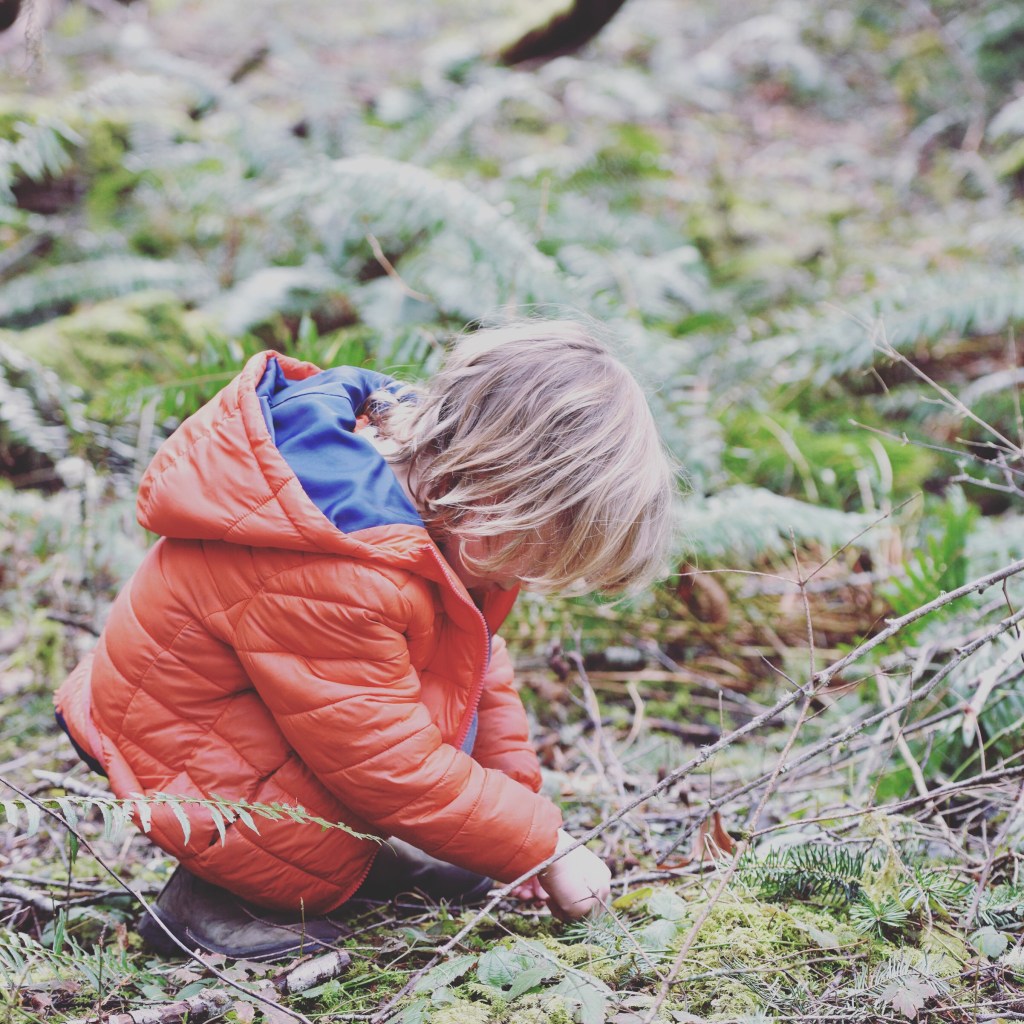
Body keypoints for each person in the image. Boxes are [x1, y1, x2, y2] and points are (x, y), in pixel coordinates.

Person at [54, 318, 676, 960]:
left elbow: (478, 672)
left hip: (259, 721)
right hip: (186, 744)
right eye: (536, 559)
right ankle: (213, 901)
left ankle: (357, 859)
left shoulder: (444, 527)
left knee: (420, 770)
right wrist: (546, 848)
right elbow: (389, 766)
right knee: (337, 815)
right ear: (497, 502)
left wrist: (519, 823)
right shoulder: (340, 568)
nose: (523, 582)